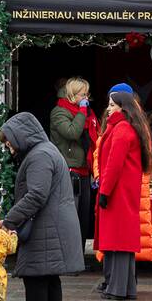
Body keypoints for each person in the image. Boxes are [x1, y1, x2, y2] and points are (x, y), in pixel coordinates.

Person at [0, 112, 85, 301]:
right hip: (52, 225)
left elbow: (36, 194)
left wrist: (9, 220)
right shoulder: (47, 151)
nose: (8, 146)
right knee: (49, 278)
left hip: (46, 227)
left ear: (20, 136)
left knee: (35, 277)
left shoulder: (39, 156)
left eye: (9, 141)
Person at [96, 90, 152, 301]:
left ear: (123, 107)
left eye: (112, 105)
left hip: (117, 192)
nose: (108, 109)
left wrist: (105, 191)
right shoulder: (126, 127)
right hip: (123, 191)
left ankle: (117, 288)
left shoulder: (121, 129)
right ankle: (124, 287)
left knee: (118, 240)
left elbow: (114, 165)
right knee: (121, 240)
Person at [49, 77, 99, 245]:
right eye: (82, 95)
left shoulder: (84, 112)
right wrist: (82, 111)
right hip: (69, 170)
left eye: (87, 94)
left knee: (83, 216)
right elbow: (72, 132)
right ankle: (68, 254)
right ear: (72, 94)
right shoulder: (59, 112)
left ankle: (80, 254)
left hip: (84, 169)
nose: (86, 98)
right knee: (70, 216)